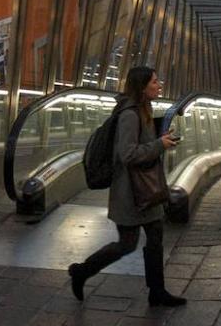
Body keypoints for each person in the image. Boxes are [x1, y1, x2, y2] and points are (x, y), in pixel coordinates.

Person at [68, 66, 186, 307]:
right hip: (131, 193)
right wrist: (159, 145)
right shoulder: (130, 114)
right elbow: (127, 154)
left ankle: (157, 291)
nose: (159, 84)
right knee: (126, 244)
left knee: (155, 237)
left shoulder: (144, 109)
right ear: (142, 87)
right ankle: (81, 271)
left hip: (145, 189)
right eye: (154, 81)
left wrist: (159, 139)